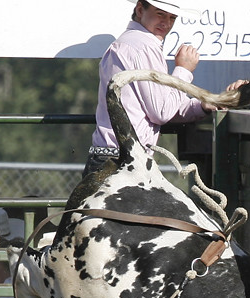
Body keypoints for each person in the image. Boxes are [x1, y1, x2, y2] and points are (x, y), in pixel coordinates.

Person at [84, 0, 213, 177]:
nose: (166, 23)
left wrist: (203, 106)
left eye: (172, 17)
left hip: (110, 158)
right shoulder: (143, 46)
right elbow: (162, 111)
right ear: (139, 9)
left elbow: (161, 106)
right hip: (124, 162)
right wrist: (183, 70)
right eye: (160, 14)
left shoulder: (133, 43)